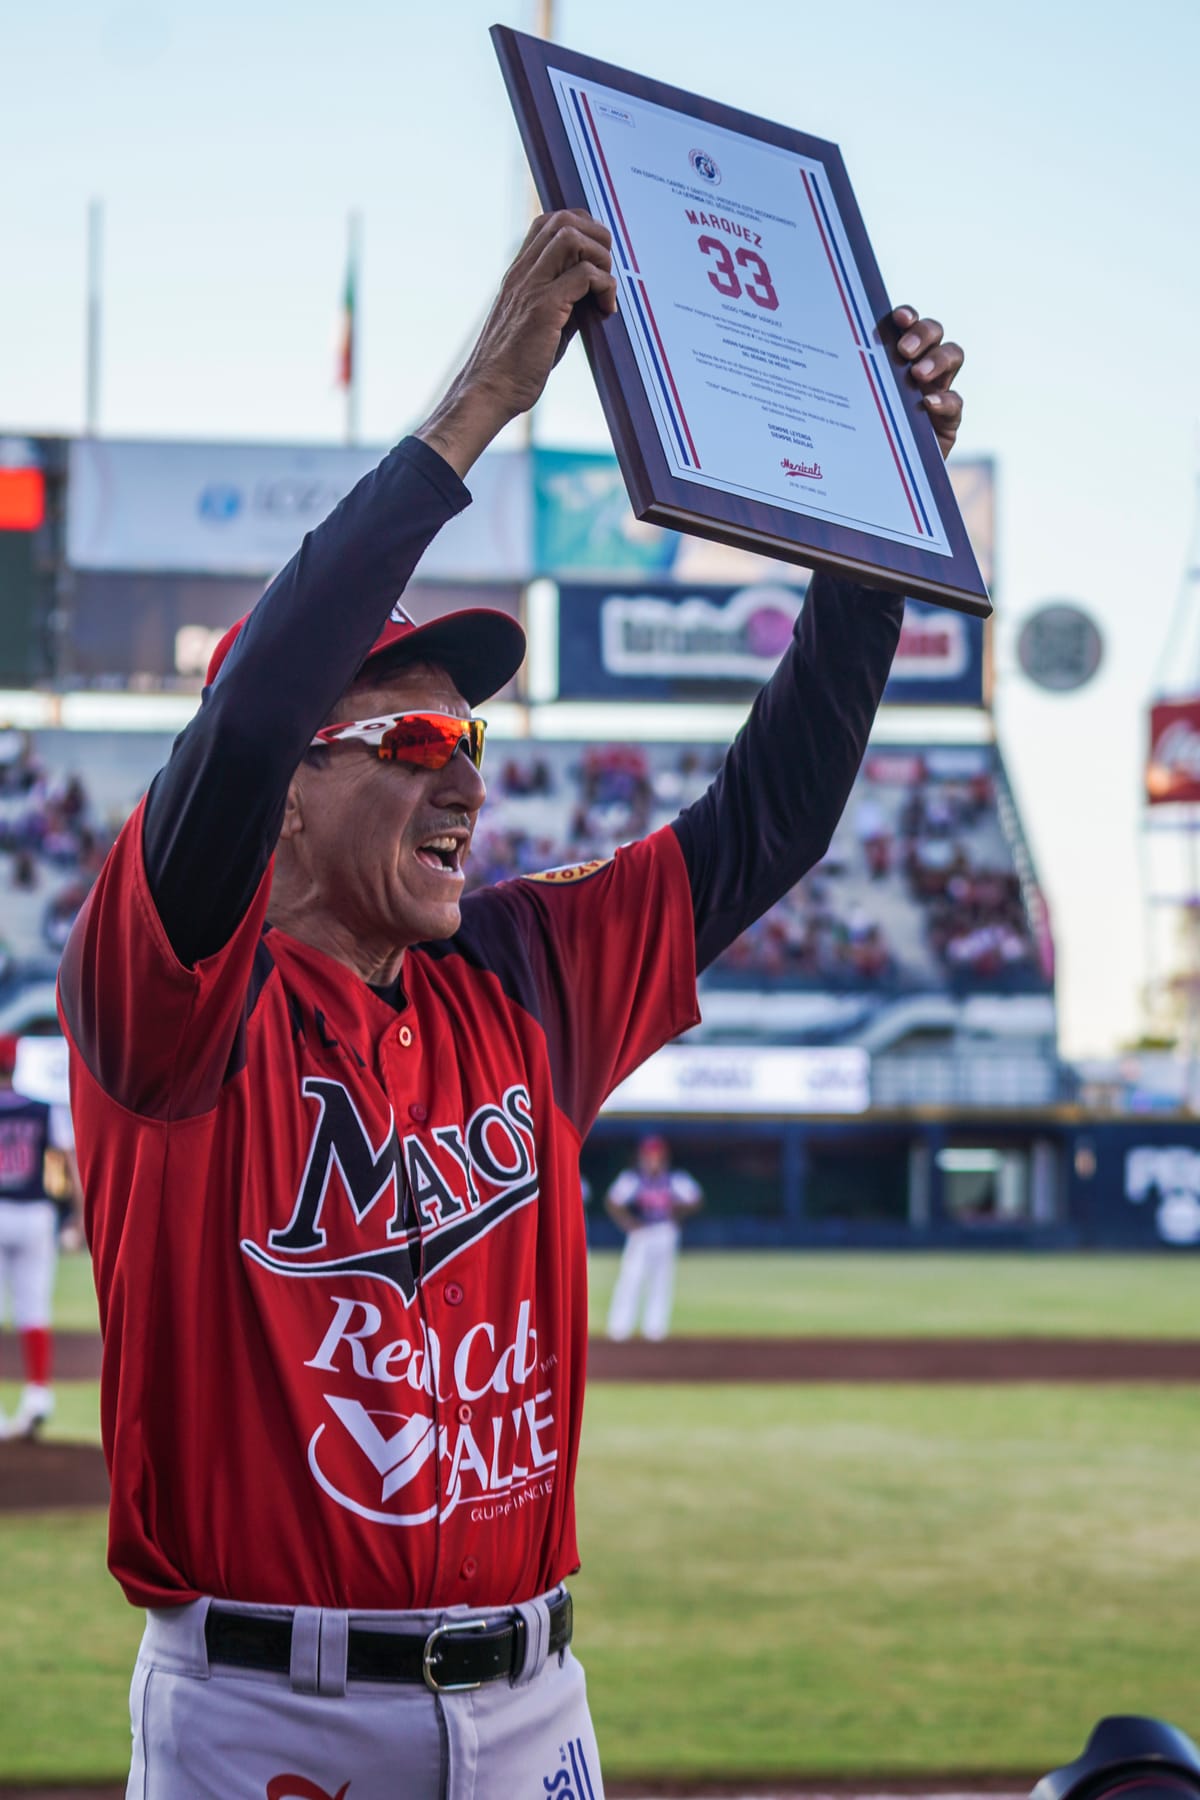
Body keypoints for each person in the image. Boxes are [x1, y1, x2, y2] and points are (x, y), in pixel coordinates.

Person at [58, 207, 965, 1798]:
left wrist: (868, 529)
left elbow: (770, 819)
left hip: (538, 1701)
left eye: (475, 747)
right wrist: (476, 403)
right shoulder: (171, 1002)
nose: (465, 781)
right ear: (279, 792)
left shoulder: (525, 972)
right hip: (269, 1717)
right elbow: (261, 698)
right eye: (416, 746)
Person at [0, 1034, 80, 1439]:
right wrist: (79, 1216)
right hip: (35, 1212)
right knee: (34, 1310)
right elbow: (67, 1161)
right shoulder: (42, 1107)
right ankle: (38, 1395)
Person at [605, 1135, 702, 1341]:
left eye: (657, 1155)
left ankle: (655, 1331)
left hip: (665, 1232)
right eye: (649, 1155)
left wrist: (677, 1214)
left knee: (661, 1282)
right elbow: (613, 1201)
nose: (653, 1159)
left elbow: (695, 1199)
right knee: (631, 1279)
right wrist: (628, 1222)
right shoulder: (633, 1178)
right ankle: (619, 1330)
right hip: (642, 1233)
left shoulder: (674, 1178)